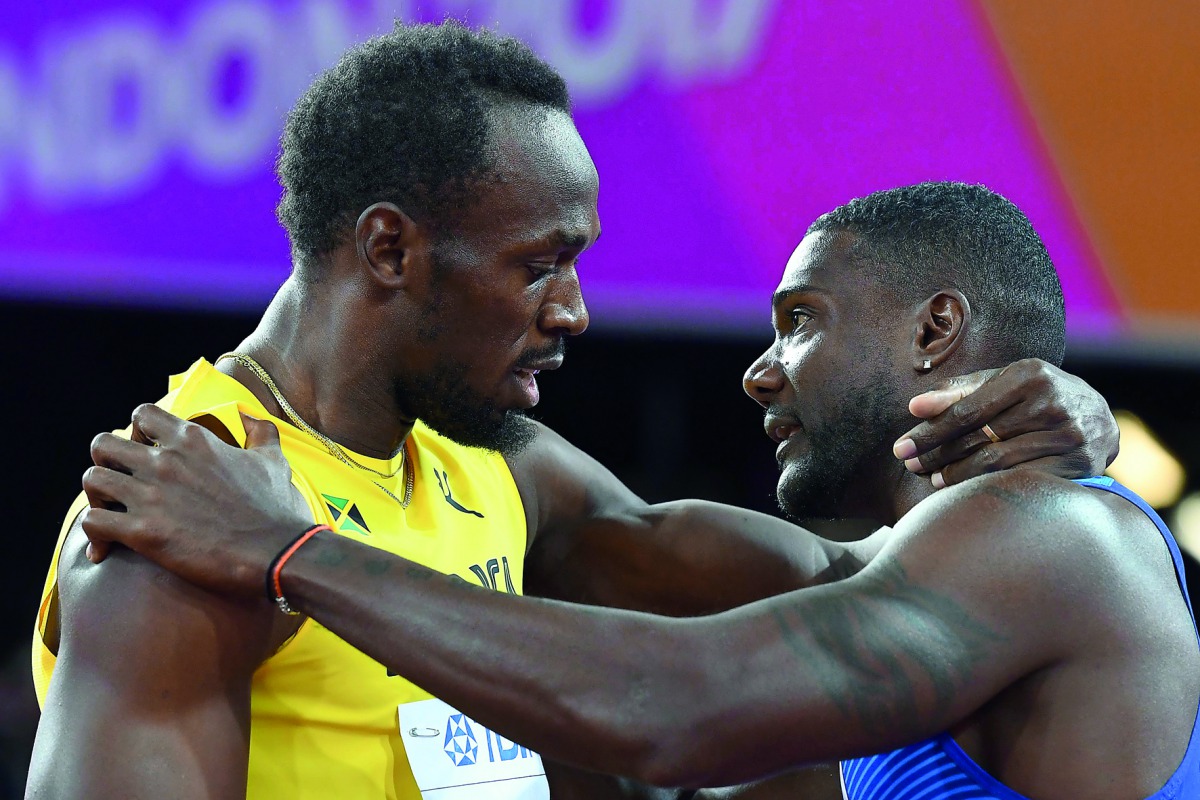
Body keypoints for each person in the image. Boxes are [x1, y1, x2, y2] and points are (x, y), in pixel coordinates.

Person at [27, 20, 1120, 800]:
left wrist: (1043, 453)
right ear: (391, 249)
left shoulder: (504, 472)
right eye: (540, 262)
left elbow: (867, 587)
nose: (576, 310)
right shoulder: (183, 514)